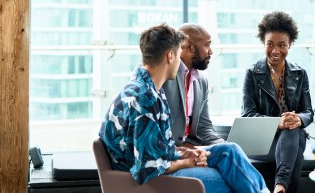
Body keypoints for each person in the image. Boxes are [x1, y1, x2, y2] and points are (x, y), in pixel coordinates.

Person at [99, 24, 269, 193]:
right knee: (231, 182)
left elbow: (157, 146)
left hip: (161, 163)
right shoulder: (145, 99)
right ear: (171, 56)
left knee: (228, 151)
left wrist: (184, 154)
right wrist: (185, 162)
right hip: (145, 180)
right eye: (179, 55)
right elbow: (148, 167)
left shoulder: (148, 87)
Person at [242, 11, 314, 193]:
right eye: (270, 45)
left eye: (282, 45)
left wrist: (298, 119)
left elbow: (308, 112)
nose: (275, 51)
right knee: (295, 146)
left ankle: (280, 186)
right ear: (263, 43)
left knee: (292, 130)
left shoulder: (300, 73)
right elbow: (248, 115)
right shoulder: (252, 74)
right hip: (263, 141)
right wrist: (278, 123)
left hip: (291, 137)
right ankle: (280, 186)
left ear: (290, 45)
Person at [163, 23, 224, 147]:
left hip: (193, 147)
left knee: (231, 149)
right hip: (172, 151)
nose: (211, 51)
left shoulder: (201, 81)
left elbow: (204, 127)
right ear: (189, 48)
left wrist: (222, 145)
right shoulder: (164, 77)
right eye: (207, 45)